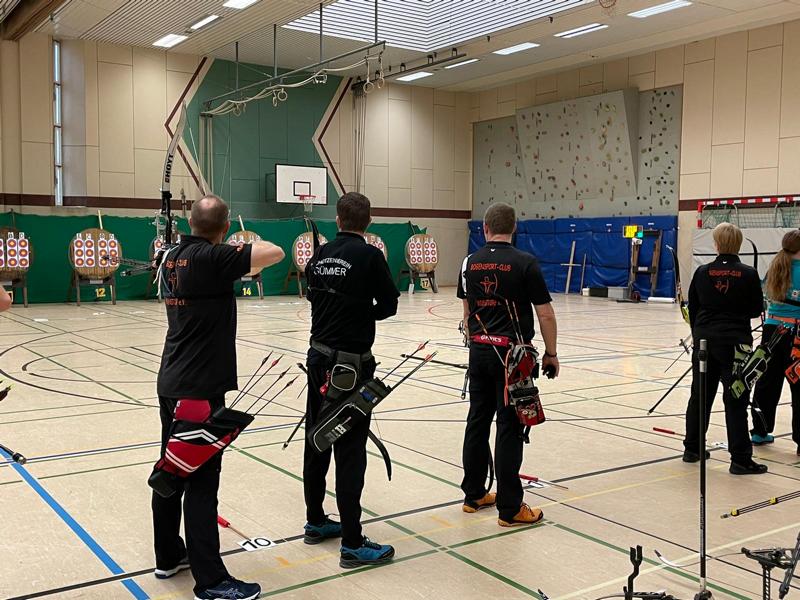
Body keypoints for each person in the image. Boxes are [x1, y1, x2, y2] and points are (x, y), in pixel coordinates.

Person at [152, 194, 284, 600]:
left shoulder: (171, 256)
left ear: (191, 223)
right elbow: (275, 252)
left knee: (172, 470)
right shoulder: (212, 257)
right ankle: (210, 581)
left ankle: (168, 555)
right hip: (199, 389)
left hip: (172, 380)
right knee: (201, 482)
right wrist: (233, 249)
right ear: (224, 228)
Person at [302, 192, 399, 568]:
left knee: (318, 437)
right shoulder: (370, 256)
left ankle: (315, 520)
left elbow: (313, 297)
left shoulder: (319, 256)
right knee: (349, 449)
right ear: (368, 222)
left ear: (338, 220)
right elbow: (388, 305)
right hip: (349, 368)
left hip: (318, 359)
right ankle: (353, 543)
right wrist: (361, 313)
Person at [457, 202, 559, 527]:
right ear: (513, 228)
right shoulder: (525, 262)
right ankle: (510, 508)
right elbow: (545, 313)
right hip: (512, 358)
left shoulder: (469, 263)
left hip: (479, 351)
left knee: (477, 420)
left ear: (485, 228)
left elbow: (467, 313)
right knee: (510, 427)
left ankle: (474, 494)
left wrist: (477, 343)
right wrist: (551, 353)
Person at [682, 222, 767, 475]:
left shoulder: (702, 272)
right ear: (738, 244)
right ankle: (740, 459)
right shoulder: (748, 274)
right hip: (735, 344)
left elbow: (693, 307)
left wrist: (700, 332)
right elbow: (756, 309)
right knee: (736, 398)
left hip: (705, 342)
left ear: (717, 244)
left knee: (700, 394)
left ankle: (692, 448)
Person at [750, 230, 800, 456]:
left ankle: (759, 431)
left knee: (767, 382)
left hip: (772, 330)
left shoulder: (776, 266)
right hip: (796, 332)